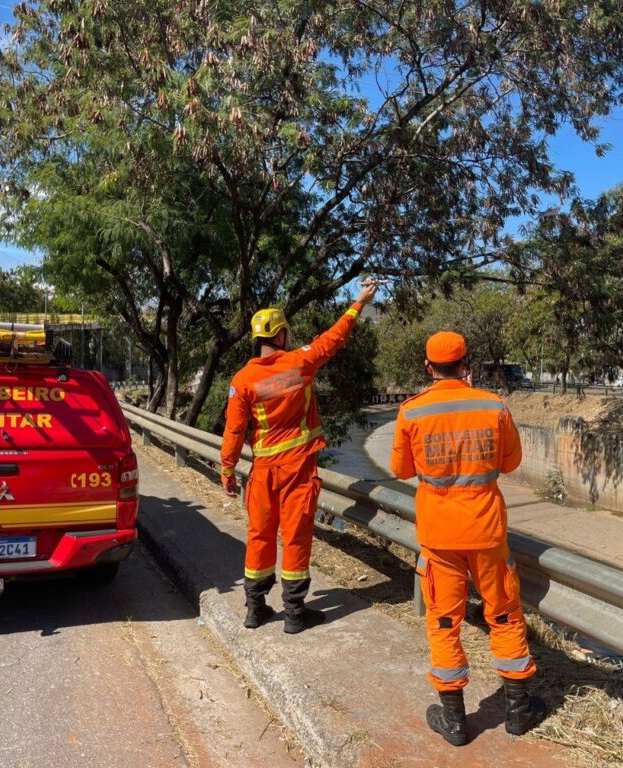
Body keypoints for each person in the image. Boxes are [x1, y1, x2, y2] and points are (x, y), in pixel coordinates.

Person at [391, 331, 546, 745]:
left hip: (439, 535)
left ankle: (456, 721)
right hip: (487, 530)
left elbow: (402, 470)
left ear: (428, 367)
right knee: (505, 614)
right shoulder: (493, 404)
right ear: (466, 363)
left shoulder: (412, 412)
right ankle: (518, 710)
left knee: (443, 621)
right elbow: (510, 462)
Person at [220, 279, 379, 634]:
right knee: (294, 536)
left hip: (262, 471)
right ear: (280, 335)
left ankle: (255, 609)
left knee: (260, 535)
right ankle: (293, 613)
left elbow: (234, 431)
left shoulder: (243, 380)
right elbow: (332, 339)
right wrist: (359, 303)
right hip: (297, 468)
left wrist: (227, 469)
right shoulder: (300, 363)